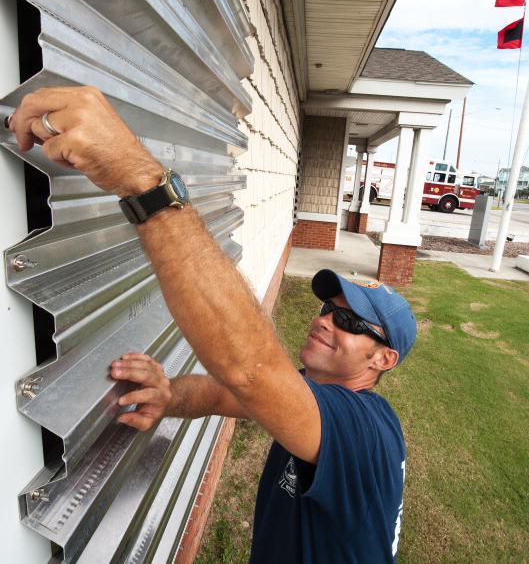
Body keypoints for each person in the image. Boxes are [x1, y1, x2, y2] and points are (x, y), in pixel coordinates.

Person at [8, 86, 416, 563]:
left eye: (347, 320)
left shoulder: (361, 430)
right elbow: (230, 393)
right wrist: (170, 396)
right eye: (328, 308)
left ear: (383, 359)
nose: (325, 320)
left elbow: (250, 372)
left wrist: (142, 182)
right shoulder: (317, 398)